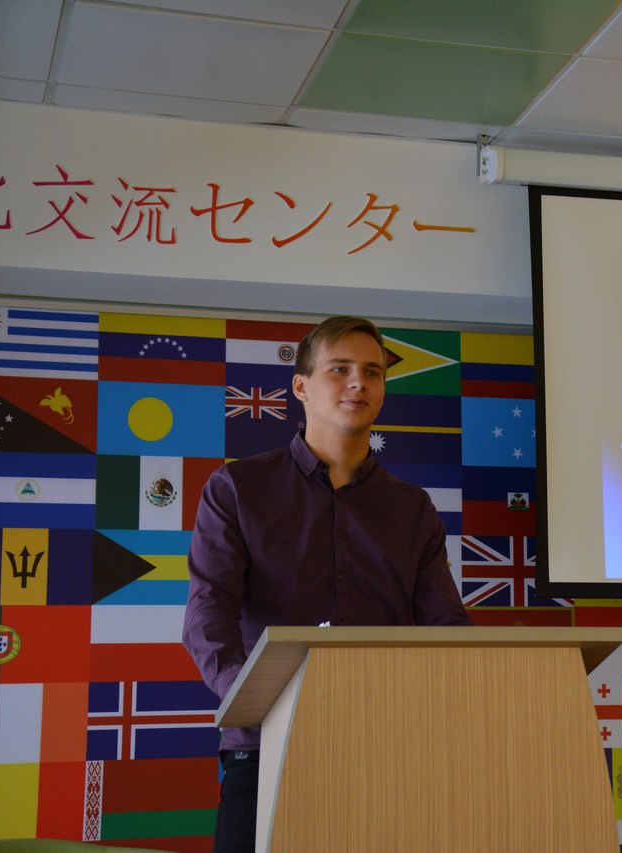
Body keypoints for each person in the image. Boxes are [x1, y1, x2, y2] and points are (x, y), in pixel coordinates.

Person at [182, 315, 471, 852]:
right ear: (301, 387)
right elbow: (207, 616)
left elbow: (447, 628)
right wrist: (253, 697)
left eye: (373, 372)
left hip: (387, 749)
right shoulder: (237, 488)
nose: (359, 382)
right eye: (340, 369)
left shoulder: (412, 509)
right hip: (267, 746)